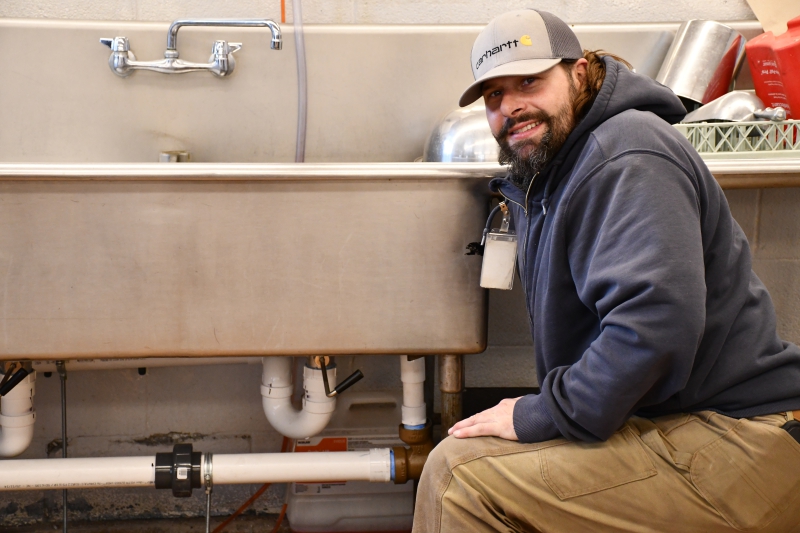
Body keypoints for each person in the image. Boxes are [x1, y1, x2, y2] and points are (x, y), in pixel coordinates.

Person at [412, 9, 800, 533]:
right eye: (495, 95)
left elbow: (654, 326)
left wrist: (542, 413)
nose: (512, 106)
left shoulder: (626, 152)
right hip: (686, 425)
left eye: (530, 80)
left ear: (578, 72)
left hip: (741, 439)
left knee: (459, 478)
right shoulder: (553, 171)